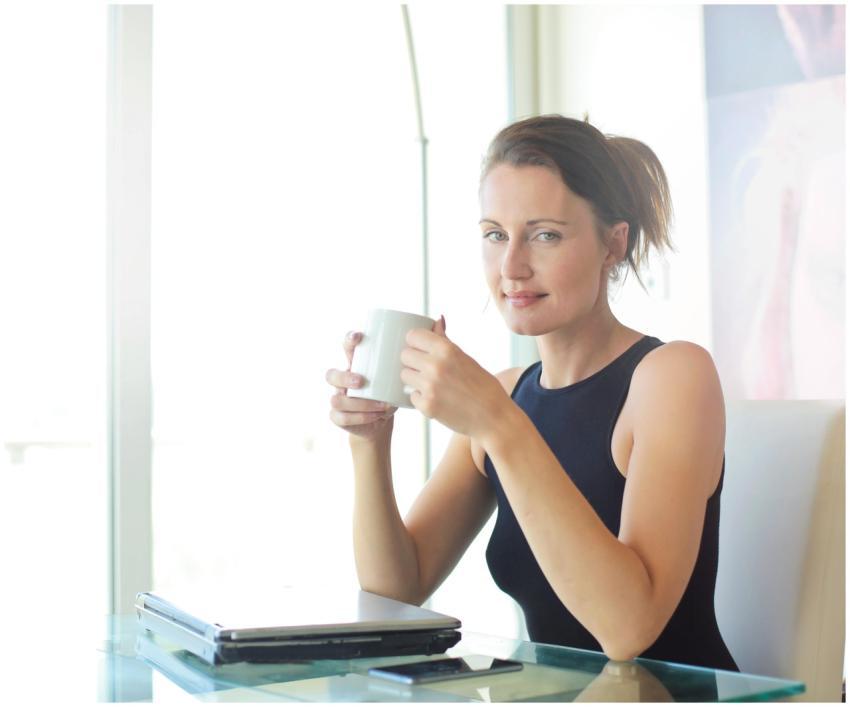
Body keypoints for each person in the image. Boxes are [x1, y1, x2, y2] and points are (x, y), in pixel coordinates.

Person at [325, 114, 738, 671]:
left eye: (545, 234)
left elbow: (628, 628)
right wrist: (369, 444)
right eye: (495, 234)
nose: (512, 266)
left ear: (613, 244)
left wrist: (496, 423)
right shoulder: (507, 394)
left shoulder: (671, 376)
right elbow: (396, 592)